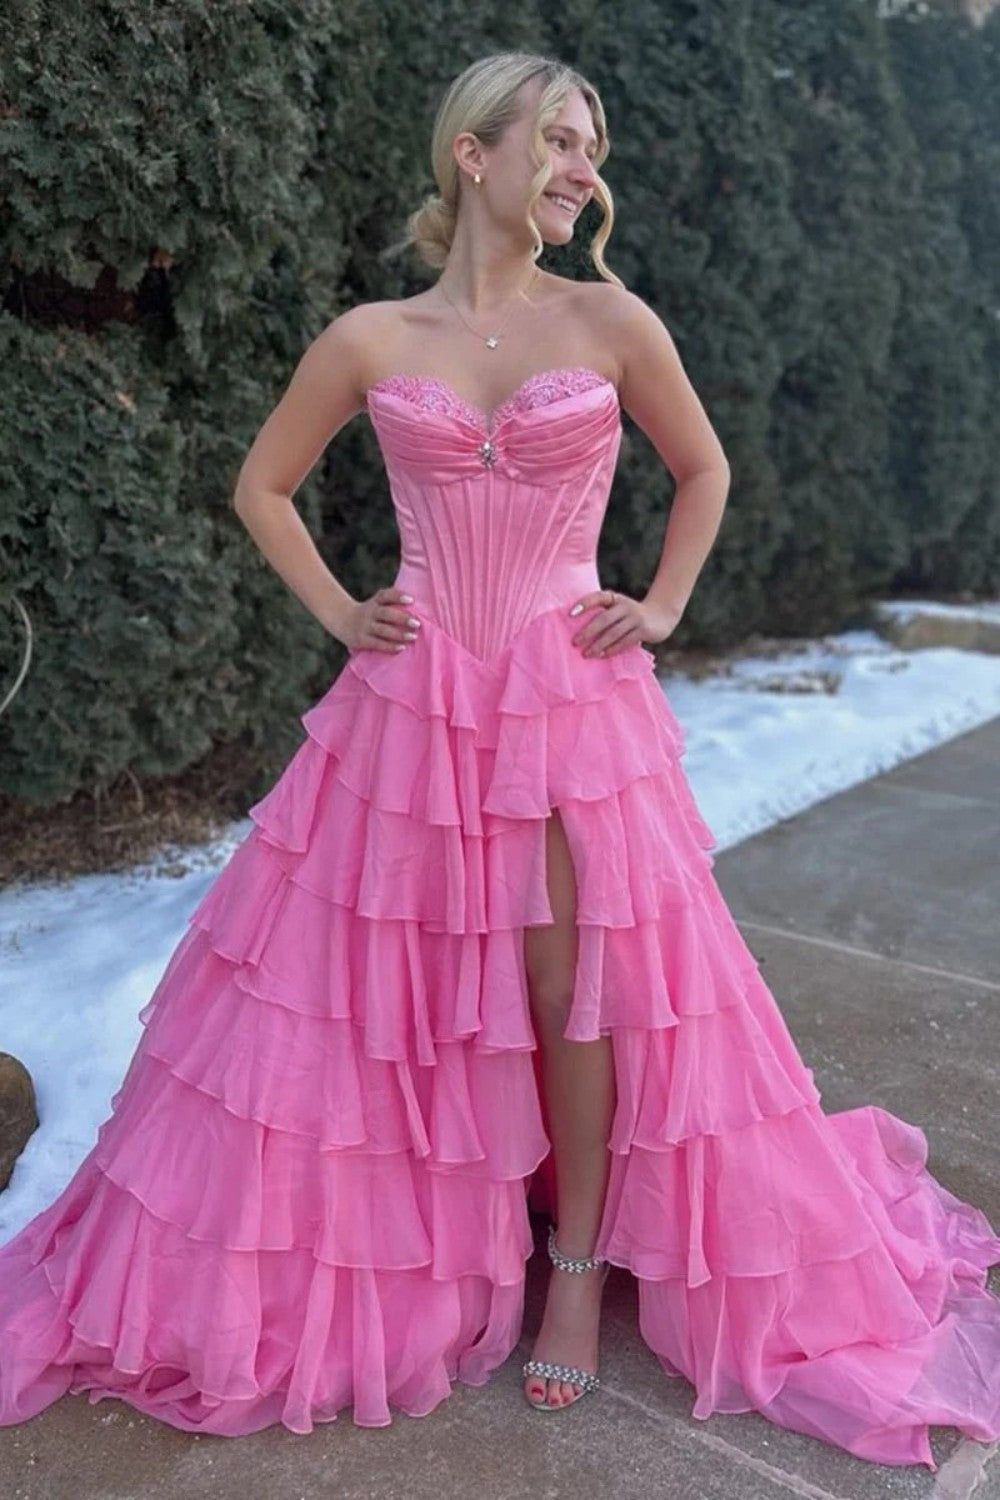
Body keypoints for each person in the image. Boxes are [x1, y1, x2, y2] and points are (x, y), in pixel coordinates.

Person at [1, 50, 998, 1468]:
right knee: (392, 991)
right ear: (475, 151)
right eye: (561, 139)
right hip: (409, 709)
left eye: (593, 147)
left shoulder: (610, 319)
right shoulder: (372, 336)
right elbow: (262, 486)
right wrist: (343, 612)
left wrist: (662, 605)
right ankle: (436, 1236)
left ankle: (575, 1268)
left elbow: (705, 468)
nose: (585, 168)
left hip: (566, 702)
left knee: (565, 987)